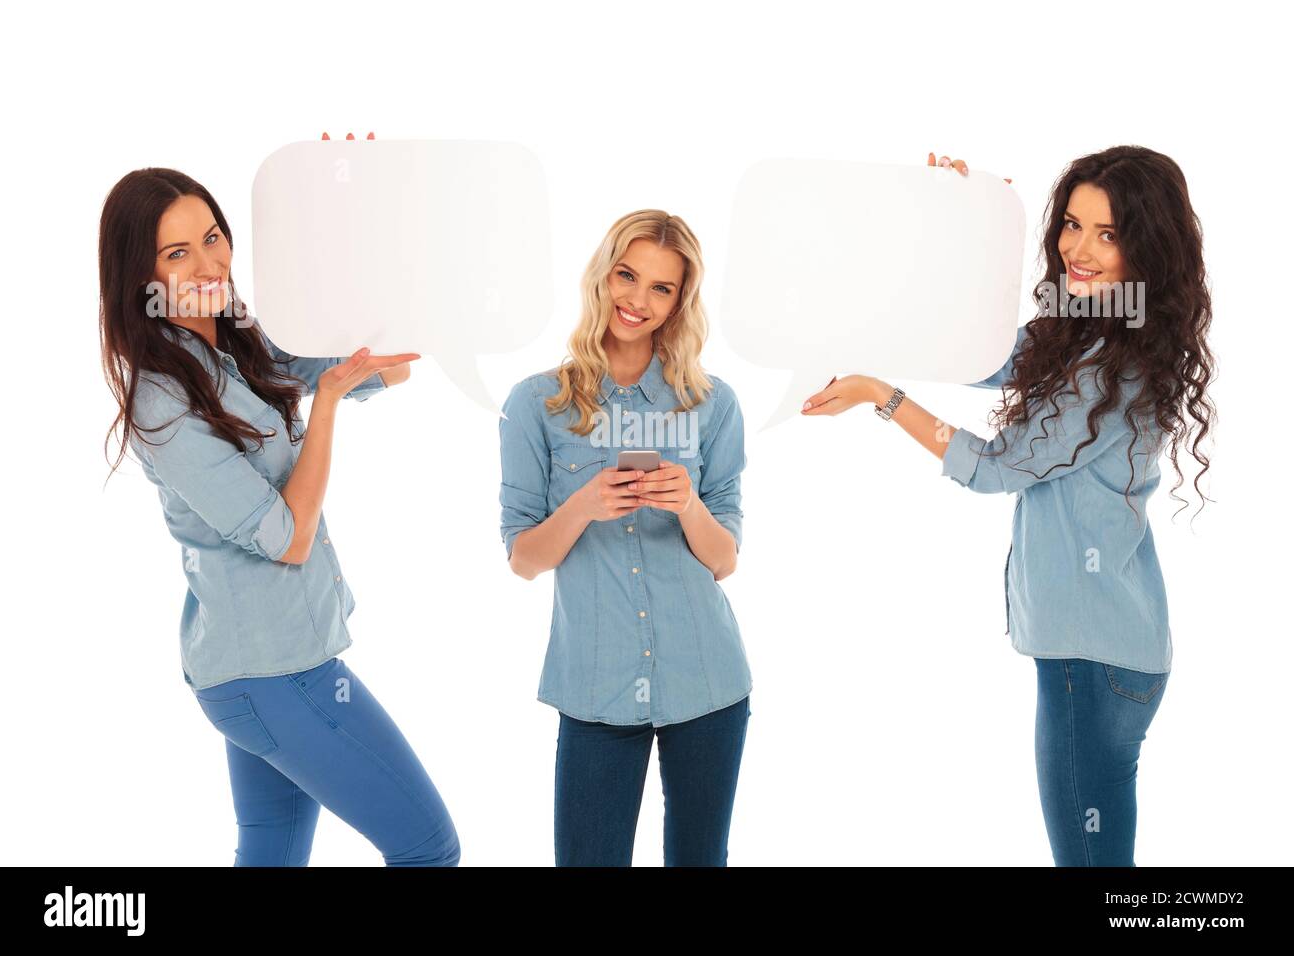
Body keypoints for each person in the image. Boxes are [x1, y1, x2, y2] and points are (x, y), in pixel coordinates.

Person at [802, 147, 1215, 865]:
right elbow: (985, 355)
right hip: (1110, 651)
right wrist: (961, 221)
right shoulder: (1093, 327)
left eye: (1107, 235)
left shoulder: (1108, 369)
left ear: (1144, 250)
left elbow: (994, 470)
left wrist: (883, 398)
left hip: (1091, 661)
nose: (1078, 250)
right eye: (1072, 225)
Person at [100, 167, 459, 866]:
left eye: (212, 238)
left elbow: (388, 362)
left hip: (272, 666)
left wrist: (353, 217)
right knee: (429, 848)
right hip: (269, 674)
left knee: (272, 856)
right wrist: (324, 405)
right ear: (139, 276)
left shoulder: (238, 338)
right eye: (178, 255)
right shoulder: (160, 401)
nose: (209, 265)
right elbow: (288, 539)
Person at [499, 210, 752, 866]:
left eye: (661, 288)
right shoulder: (537, 404)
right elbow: (523, 559)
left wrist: (690, 504)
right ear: (603, 276)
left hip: (707, 682)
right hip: (594, 685)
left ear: (678, 303)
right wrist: (583, 505)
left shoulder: (711, 404)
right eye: (627, 275)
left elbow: (724, 559)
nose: (638, 301)